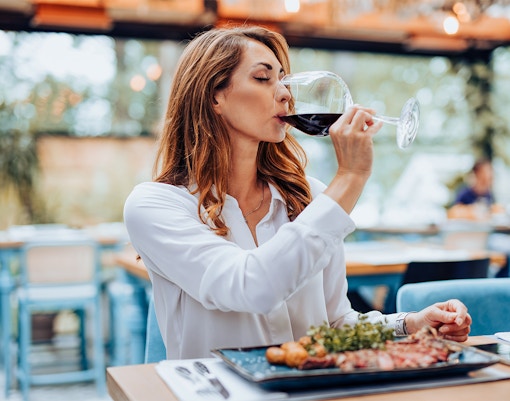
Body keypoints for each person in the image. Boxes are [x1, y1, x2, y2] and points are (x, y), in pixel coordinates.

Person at [124, 25, 471, 360]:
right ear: (214, 95)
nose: (286, 93)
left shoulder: (309, 197)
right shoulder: (156, 205)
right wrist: (350, 176)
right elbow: (251, 287)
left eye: (283, 79)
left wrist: (409, 324)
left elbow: (334, 324)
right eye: (263, 78)